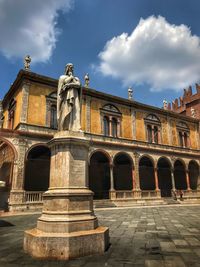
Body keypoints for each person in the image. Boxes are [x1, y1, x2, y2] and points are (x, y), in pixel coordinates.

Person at [57, 63, 81, 131]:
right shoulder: (62, 77)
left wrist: (70, 84)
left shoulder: (76, 78)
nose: (72, 68)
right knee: (67, 111)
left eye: (73, 67)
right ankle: (66, 127)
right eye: (70, 67)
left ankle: (75, 127)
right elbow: (64, 83)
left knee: (76, 110)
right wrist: (70, 78)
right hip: (66, 97)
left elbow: (78, 85)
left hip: (75, 97)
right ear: (67, 68)